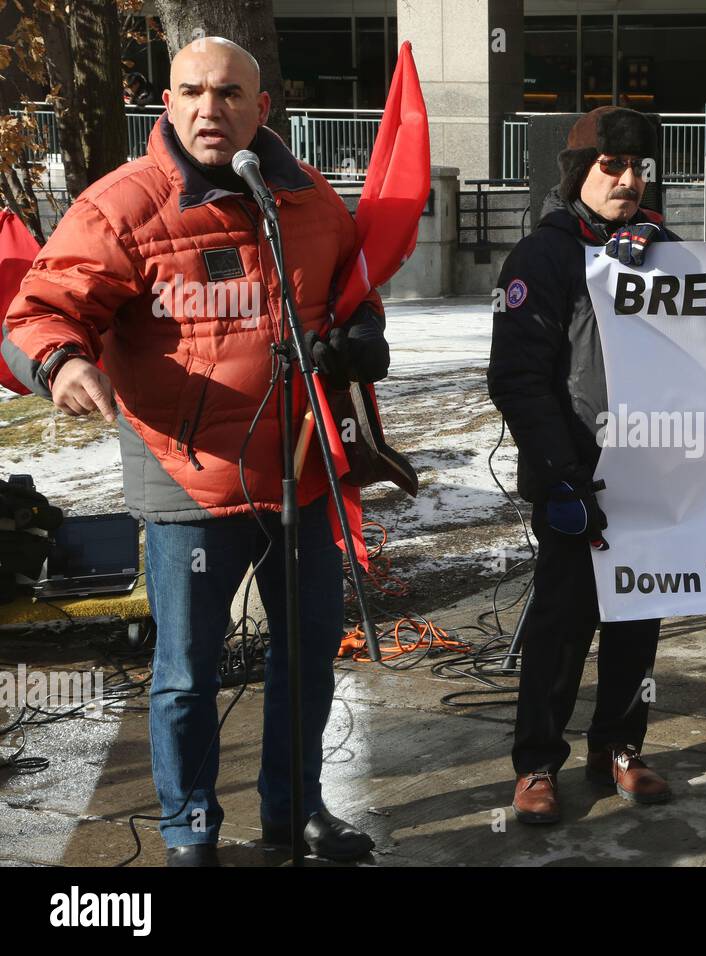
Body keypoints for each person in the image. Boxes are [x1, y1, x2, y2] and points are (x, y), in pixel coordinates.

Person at [2, 37, 387, 865]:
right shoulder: (120, 206)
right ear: (168, 102)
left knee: (307, 656)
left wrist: (362, 336)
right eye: (191, 92)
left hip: (301, 474)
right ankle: (189, 833)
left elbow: (353, 292)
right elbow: (33, 315)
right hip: (187, 482)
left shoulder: (309, 197)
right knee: (186, 675)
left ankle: (295, 811)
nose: (210, 109)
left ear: (262, 107)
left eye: (228, 94)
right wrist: (63, 362)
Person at [488, 106, 679, 824]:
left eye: (638, 168)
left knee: (638, 620)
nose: (628, 181)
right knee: (563, 626)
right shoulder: (543, 256)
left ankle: (619, 747)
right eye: (612, 167)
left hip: (651, 470)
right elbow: (517, 377)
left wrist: (671, 258)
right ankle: (537, 763)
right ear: (577, 173)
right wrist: (561, 474)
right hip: (575, 473)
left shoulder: (663, 248)